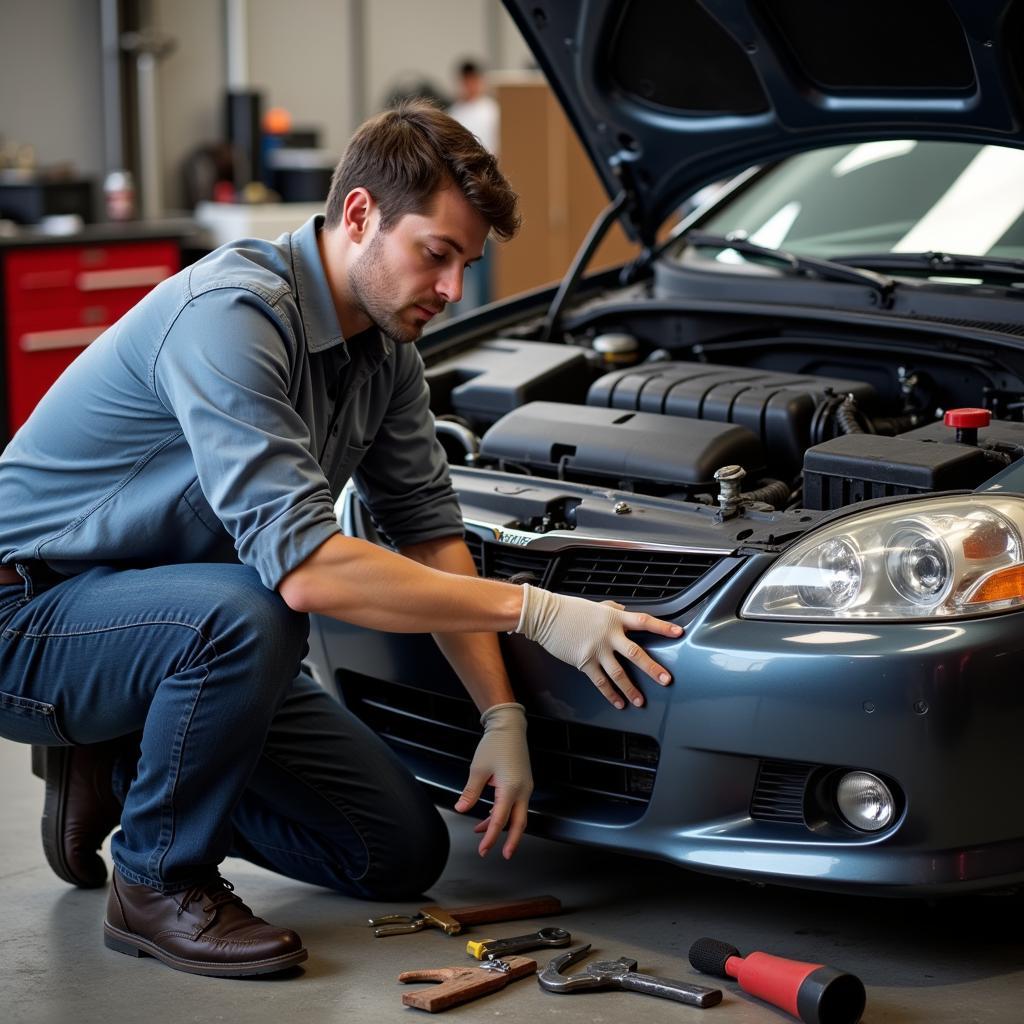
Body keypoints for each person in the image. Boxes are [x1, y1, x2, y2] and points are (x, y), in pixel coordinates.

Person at [0, 101, 682, 979]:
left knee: (393, 853)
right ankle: (156, 882)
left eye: (467, 265)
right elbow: (310, 575)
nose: (451, 290)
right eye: (435, 255)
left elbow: (431, 534)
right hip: (30, 608)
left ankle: (124, 757)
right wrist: (539, 612)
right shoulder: (232, 315)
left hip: (173, 620)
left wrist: (501, 712)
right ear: (359, 214)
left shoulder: (388, 355)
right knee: (256, 611)